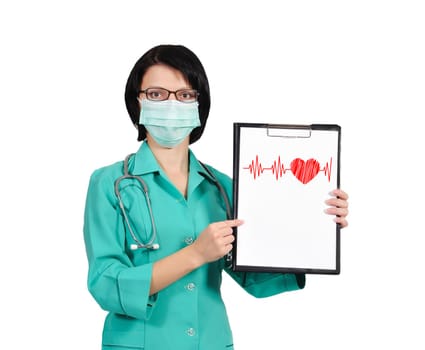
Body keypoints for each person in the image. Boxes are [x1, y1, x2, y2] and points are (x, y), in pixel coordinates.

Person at [83, 44, 349, 350]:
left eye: (184, 95)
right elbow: (106, 284)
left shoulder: (223, 187)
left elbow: (257, 278)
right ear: (137, 102)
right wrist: (195, 254)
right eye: (156, 94)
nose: (171, 104)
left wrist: (317, 227)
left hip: (212, 342)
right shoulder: (109, 183)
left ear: (199, 104)